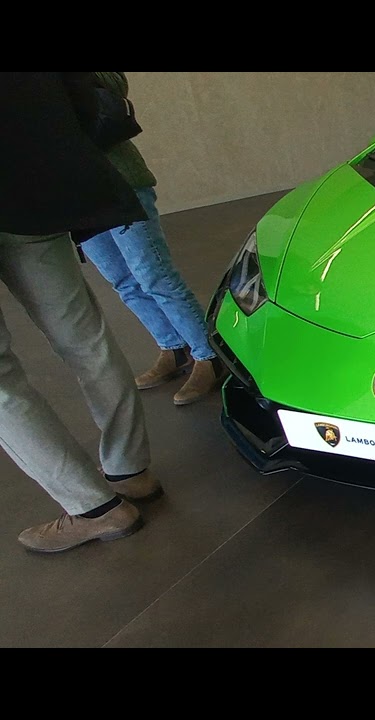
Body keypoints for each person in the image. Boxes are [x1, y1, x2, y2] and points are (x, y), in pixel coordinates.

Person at [0, 72, 162, 553]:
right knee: (84, 340)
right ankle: (130, 470)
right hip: (29, 193)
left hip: (27, 189)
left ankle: (94, 508)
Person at [80, 72, 226, 406]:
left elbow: (116, 84)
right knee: (123, 281)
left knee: (153, 274)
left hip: (120, 184)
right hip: (76, 197)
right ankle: (173, 348)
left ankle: (208, 356)